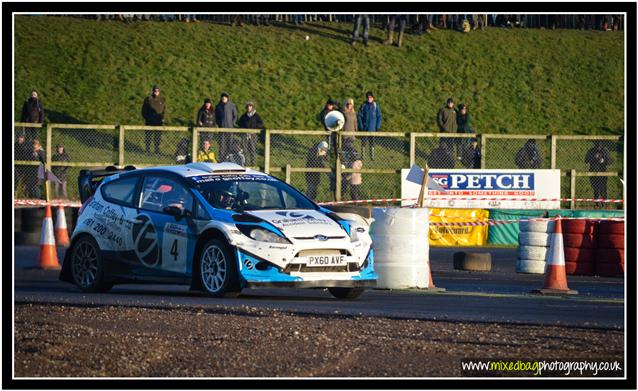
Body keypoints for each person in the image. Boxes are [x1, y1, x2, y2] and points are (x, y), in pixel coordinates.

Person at [585, 141, 613, 208]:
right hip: (594, 172)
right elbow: (586, 160)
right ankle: (597, 204)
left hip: (603, 172)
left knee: (603, 189)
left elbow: (610, 161)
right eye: (597, 146)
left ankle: (604, 204)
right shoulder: (591, 151)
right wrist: (594, 158)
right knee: (596, 189)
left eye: (600, 146)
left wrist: (603, 161)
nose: (599, 148)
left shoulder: (605, 151)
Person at [357, 91, 382, 160]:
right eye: (368, 97)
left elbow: (379, 116)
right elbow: (359, 116)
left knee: (372, 142)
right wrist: (361, 126)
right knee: (363, 142)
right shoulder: (363, 105)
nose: (369, 98)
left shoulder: (375, 106)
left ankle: (372, 156)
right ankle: (363, 155)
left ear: (373, 98)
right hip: (365, 128)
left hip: (372, 128)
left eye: (370, 97)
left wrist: (378, 126)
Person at [238, 101, 264, 166]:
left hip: (253, 135)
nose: (249, 108)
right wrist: (243, 129)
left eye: (250, 106)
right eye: (248, 106)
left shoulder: (256, 116)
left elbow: (261, 124)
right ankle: (246, 163)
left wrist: (254, 128)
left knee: (252, 149)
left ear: (252, 107)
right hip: (245, 135)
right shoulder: (244, 116)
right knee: (245, 149)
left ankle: (253, 164)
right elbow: (239, 123)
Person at [141, 85, 166, 154]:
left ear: (159, 92)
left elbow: (164, 110)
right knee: (148, 136)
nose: (156, 92)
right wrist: (147, 118)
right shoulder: (148, 99)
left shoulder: (162, 99)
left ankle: (157, 150)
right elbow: (143, 111)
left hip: (158, 122)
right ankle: (147, 150)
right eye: (155, 91)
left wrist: (162, 118)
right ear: (153, 91)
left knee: (157, 137)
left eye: (157, 91)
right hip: (150, 121)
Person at [215, 92, 238, 159]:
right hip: (221, 128)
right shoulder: (218, 106)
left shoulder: (232, 105)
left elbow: (235, 115)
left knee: (229, 143)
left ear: (227, 98)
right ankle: (221, 158)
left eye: (225, 97)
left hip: (230, 128)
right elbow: (216, 116)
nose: (223, 98)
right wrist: (219, 123)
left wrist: (232, 123)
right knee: (221, 144)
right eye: (222, 97)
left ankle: (229, 158)